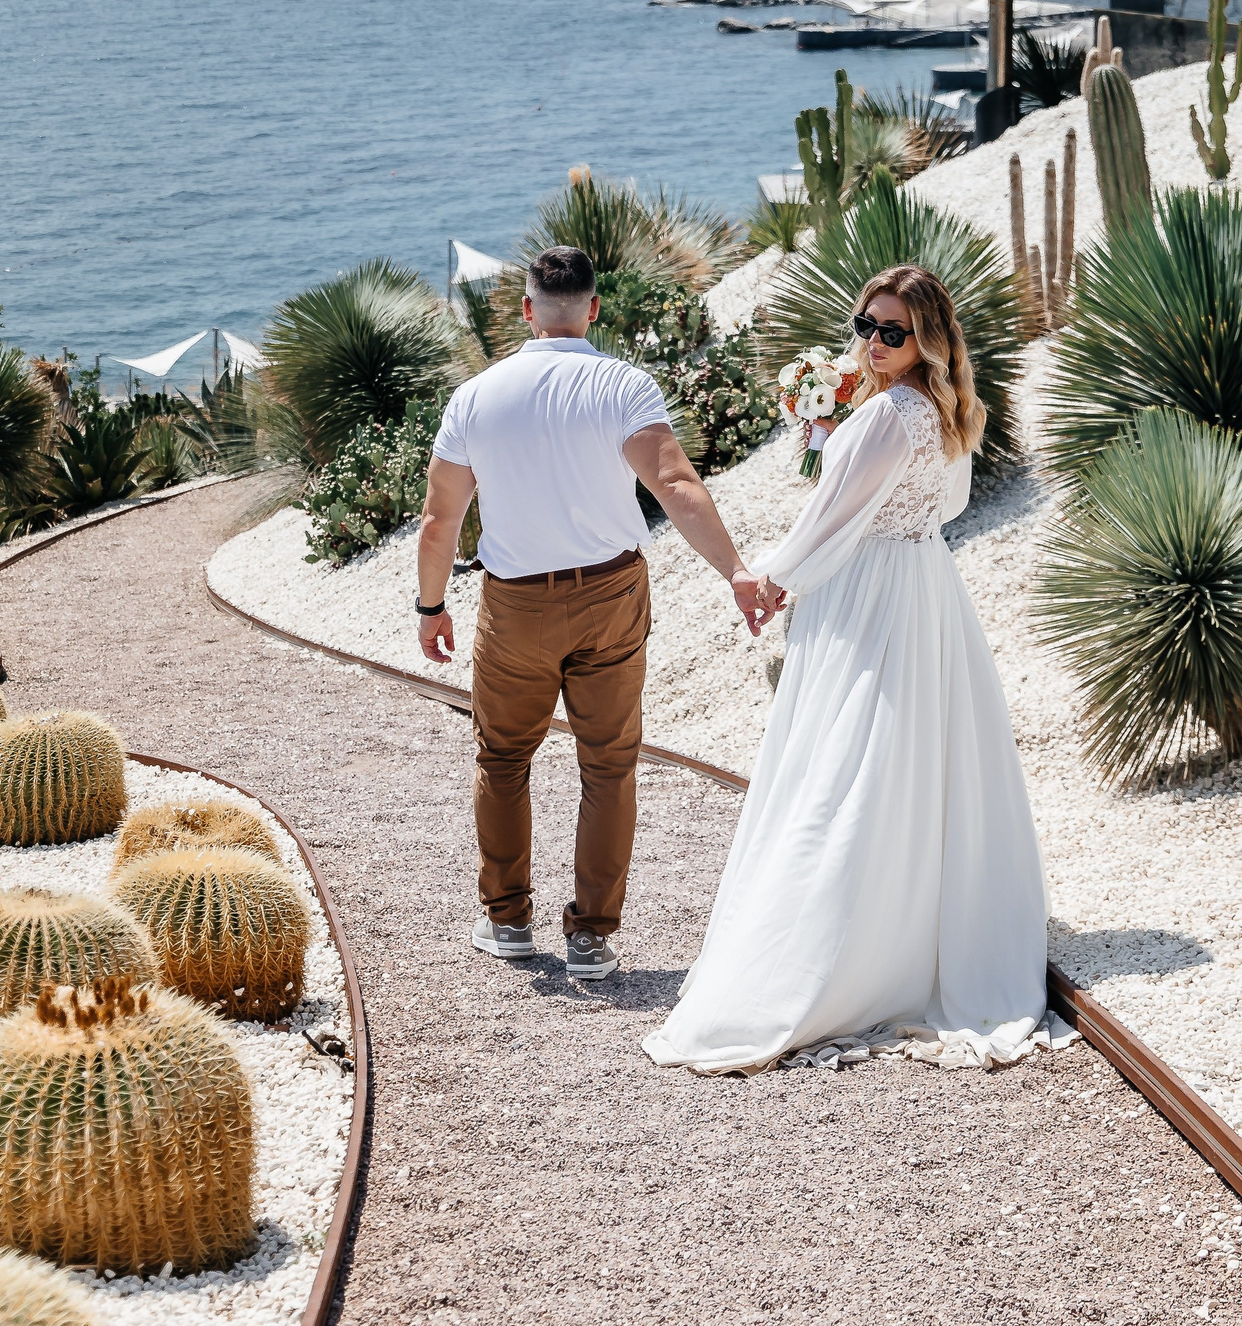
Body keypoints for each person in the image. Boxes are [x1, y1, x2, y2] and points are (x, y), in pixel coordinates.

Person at [643, 264, 1056, 1073]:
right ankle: (915, 927)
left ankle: (832, 954)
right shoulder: (947, 411)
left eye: (892, 332)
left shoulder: (886, 417)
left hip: (869, 593)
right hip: (927, 586)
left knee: (843, 762)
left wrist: (768, 579)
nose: (872, 342)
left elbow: (830, 517)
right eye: (865, 325)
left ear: (926, 339)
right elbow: (945, 509)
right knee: (911, 757)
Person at [415, 245, 771, 981]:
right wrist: (734, 570)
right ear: (593, 309)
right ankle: (591, 937)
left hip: (514, 605)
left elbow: (437, 520)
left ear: (526, 311)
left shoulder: (476, 396)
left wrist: (431, 604)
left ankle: (508, 921)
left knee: (504, 756)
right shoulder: (622, 385)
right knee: (608, 765)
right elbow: (674, 483)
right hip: (610, 593)